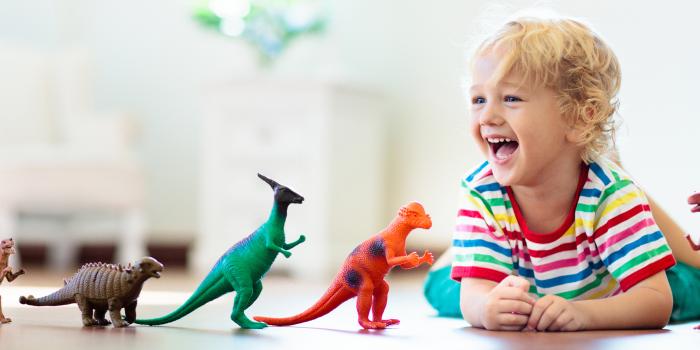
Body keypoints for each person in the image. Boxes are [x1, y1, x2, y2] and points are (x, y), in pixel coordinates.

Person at [423, 15, 694, 332]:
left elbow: (656, 301)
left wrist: (584, 314)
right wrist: (486, 307)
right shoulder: (480, 190)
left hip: (602, 284)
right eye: (478, 99)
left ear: (579, 119)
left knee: (687, 292)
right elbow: (474, 297)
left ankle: (644, 234)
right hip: (522, 279)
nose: (487, 116)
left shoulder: (609, 194)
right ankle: (464, 252)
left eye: (511, 98)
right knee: (442, 292)